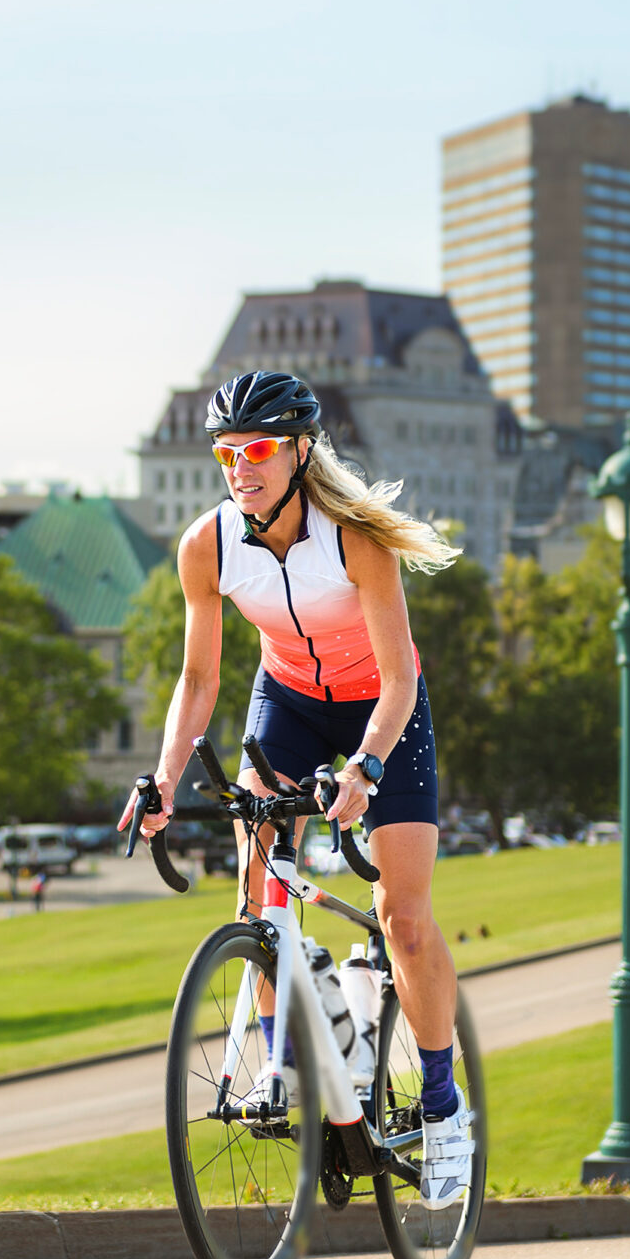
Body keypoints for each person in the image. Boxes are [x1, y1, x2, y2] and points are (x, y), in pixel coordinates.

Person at [122, 369, 474, 1210]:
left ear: (299, 451)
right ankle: (282, 1065)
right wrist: (165, 776)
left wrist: (367, 769)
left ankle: (441, 1103)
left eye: (259, 450)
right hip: (285, 704)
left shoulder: (356, 540)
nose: (240, 467)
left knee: (406, 920)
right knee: (258, 882)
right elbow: (199, 677)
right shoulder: (206, 546)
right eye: (227, 452)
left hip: (382, 714)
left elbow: (397, 681)